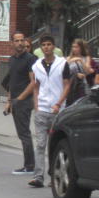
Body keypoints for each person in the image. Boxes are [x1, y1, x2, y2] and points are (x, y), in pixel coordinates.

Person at [28, 35, 71, 188]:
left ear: (54, 47)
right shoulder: (37, 65)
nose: (46, 47)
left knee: (54, 145)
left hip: (57, 110)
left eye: (49, 44)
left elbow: (67, 85)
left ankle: (53, 177)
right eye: (43, 45)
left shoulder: (62, 64)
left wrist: (59, 103)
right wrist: (36, 104)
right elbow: (36, 86)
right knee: (40, 144)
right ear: (40, 48)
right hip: (42, 109)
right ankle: (38, 176)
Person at [3, 31, 37, 175]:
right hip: (15, 101)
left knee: (24, 134)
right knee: (22, 134)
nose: (20, 43)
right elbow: (11, 83)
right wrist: (9, 101)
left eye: (22, 40)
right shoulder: (12, 60)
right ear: (12, 43)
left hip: (24, 101)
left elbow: (33, 82)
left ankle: (29, 166)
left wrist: (20, 98)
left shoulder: (30, 59)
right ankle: (28, 164)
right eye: (16, 41)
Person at [66, 38, 93, 106]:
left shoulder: (86, 57)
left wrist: (80, 60)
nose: (74, 49)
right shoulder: (69, 58)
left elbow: (88, 71)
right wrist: (71, 62)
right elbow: (64, 71)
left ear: (81, 48)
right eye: (73, 47)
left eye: (76, 47)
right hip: (71, 85)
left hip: (82, 85)